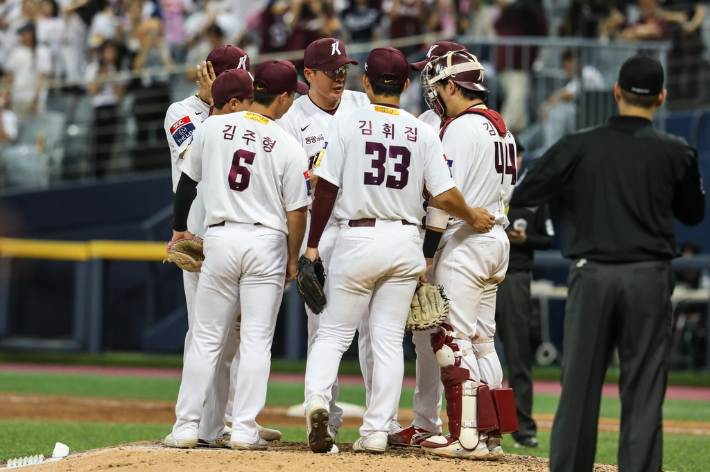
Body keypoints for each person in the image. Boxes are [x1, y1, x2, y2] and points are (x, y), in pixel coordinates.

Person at [510, 54, 706, 472]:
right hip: (649, 277)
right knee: (644, 387)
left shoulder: (577, 145)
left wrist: (565, 202)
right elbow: (693, 215)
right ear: (661, 98)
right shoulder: (678, 151)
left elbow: (526, 193)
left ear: (616, 92)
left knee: (579, 386)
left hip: (591, 273)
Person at [302, 46, 495, 454]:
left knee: (334, 334)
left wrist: (314, 246)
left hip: (357, 237)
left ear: (366, 82)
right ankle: (375, 431)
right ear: (406, 85)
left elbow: (327, 190)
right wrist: (472, 215)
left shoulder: (348, 123)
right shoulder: (423, 130)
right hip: (405, 242)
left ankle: (318, 401)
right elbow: (443, 194)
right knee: (388, 341)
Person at [166, 59, 311, 450]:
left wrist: (180, 228)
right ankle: (244, 429)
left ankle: (185, 427)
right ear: (280, 97)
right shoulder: (287, 144)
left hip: (220, 238)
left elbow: (187, 183)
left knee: (205, 337)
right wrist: (293, 259)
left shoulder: (211, 126)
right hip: (266, 243)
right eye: (289, 96)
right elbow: (298, 212)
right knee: (256, 341)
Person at [390, 50, 517, 461]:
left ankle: (466, 437)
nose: (434, 93)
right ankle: (492, 433)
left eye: (438, 85)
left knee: (451, 340)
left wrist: (426, 255)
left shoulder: (460, 128)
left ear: (450, 85)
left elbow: (444, 199)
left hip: (465, 242)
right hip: (497, 239)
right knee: (483, 342)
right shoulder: (502, 128)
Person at [277, 37, 372, 454]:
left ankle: (377, 425)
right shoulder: (292, 119)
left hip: (363, 225)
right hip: (321, 231)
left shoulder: (361, 105)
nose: (339, 78)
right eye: (330, 71)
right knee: (323, 331)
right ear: (308, 74)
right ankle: (327, 422)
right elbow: (286, 181)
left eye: (343, 70)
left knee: (372, 331)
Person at [494, 142, 553, 449]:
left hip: (514, 276)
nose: (512, 159)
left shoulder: (532, 195)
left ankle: (523, 427)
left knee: (519, 354)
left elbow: (548, 239)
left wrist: (525, 238)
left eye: (516, 154)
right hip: (480, 274)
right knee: (466, 351)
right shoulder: (486, 180)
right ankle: (476, 423)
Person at [86, 39, 128, 178]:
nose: (111, 54)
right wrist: (99, 76)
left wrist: (110, 77)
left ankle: (109, 176)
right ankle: (96, 176)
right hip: (98, 109)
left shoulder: (121, 68)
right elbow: (92, 91)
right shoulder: (93, 67)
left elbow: (120, 93)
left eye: (113, 51)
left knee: (112, 147)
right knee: (96, 146)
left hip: (114, 108)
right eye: (108, 51)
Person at [5, 22, 52, 123]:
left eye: (24, 34)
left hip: (33, 98)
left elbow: (42, 78)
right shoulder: (15, 52)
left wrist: (36, 100)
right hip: (17, 97)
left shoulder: (42, 52)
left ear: (31, 34)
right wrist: (8, 96)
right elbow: (11, 77)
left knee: (34, 128)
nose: (21, 37)